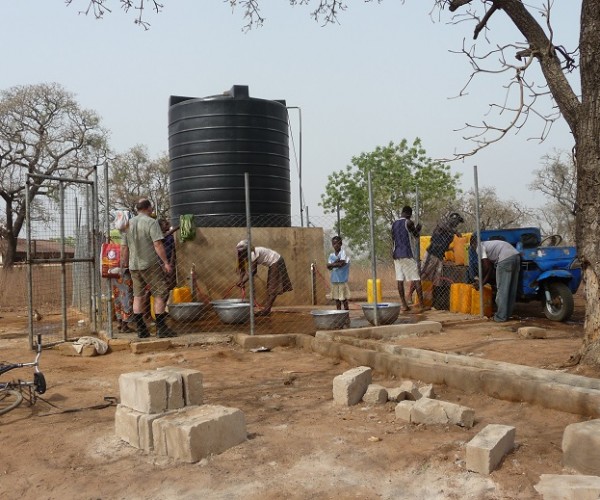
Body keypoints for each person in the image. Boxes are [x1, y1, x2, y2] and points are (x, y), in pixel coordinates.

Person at [121, 199, 176, 338]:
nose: (152, 209)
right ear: (147, 208)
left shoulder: (128, 224)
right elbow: (157, 244)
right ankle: (161, 329)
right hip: (150, 264)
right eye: (151, 207)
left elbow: (124, 247)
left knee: (137, 296)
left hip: (134, 265)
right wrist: (165, 262)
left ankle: (141, 330)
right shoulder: (151, 222)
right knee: (161, 293)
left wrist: (124, 264)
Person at [470, 234, 521, 322]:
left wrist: (480, 282)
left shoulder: (479, 247)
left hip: (504, 259)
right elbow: (489, 268)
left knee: (502, 289)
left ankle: (500, 317)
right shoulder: (488, 244)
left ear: (472, 243)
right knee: (511, 289)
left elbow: (486, 266)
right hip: (516, 256)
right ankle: (507, 315)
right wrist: (482, 283)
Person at [236, 240, 293, 316]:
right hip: (273, 263)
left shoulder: (253, 253)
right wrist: (241, 280)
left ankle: (266, 311)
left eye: (242, 250)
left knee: (273, 287)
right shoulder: (242, 254)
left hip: (276, 261)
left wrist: (243, 282)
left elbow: (253, 271)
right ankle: (266, 310)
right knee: (271, 286)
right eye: (239, 251)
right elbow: (242, 268)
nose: (240, 252)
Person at [392, 205, 425, 312]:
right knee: (416, 278)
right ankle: (421, 305)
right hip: (407, 254)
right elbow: (416, 235)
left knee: (400, 279)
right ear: (409, 214)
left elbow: (393, 238)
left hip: (396, 254)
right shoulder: (409, 222)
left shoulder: (394, 224)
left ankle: (404, 305)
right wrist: (418, 228)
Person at [421, 212, 464, 285]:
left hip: (440, 257)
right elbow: (442, 226)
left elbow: (444, 246)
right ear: (452, 219)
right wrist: (455, 232)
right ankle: (411, 292)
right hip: (432, 254)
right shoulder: (443, 225)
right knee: (423, 274)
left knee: (437, 279)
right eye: (457, 221)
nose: (457, 224)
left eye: (458, 223)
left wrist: (450, 249)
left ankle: (432, 295)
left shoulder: (451, 233)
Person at [327, 235, 350, 311]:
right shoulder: (331, 255)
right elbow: (328, 267)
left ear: (341, 244)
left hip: (342, 280)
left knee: (343, 298)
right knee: (336, 298)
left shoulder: (343, 252)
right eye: (334, 244)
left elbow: (341, 264)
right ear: (332, 245)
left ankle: (346, 311)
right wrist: (336, 262)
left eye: (338, 243)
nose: (336, 245)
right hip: (334, 280)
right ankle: (338, 312)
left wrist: (332, 264)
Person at [159, 218, 177, 291]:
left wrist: (172, 262)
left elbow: (173, 249)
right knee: (164, 280)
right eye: (165, 224)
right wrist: (177, 228)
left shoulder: (171, 237)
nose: (168, 224)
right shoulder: (159, 236)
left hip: (170, 261)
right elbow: (163, 236)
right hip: (161, 262)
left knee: (171, 280)